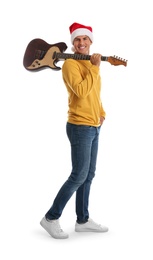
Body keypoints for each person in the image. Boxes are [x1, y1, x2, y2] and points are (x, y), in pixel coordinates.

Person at [40, 22, 108, 239]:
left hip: (94, 125)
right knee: (78, 175)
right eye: (77, 39)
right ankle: (51, 218)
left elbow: (94, 94)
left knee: (89, 174)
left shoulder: (90, 63)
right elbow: (80, 92)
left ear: (90, 42)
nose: (81, 43)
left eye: (85, 39)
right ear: (73, 43)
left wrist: (102, 112)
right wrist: (95, 69)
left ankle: (83, 219)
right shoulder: (70, 64)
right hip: (79, 126)